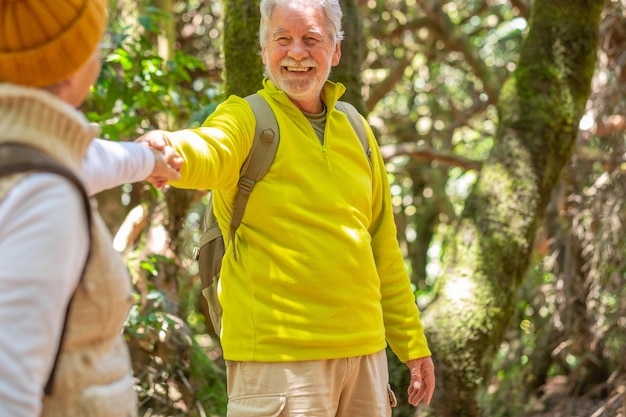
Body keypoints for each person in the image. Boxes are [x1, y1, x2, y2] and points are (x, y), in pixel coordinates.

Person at [138, 0, 435, 415]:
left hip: (366, 357)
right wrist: (169, 150)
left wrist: (412, 344)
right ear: (264, 51)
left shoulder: (357, 129)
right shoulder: (246, 118)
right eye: (282, 39)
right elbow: (210, 146)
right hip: (278, 363)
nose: (297, 52)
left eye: (311, 39)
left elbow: (382, 247)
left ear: (335, 51)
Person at [0, 0, 182, 416]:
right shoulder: (43, 197)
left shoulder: (26, 152)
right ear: (69, 64)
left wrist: (147, 161)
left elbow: (79, 159)